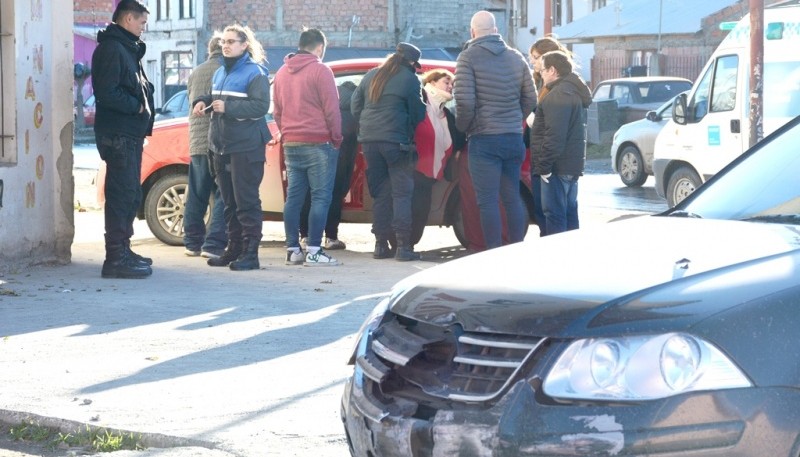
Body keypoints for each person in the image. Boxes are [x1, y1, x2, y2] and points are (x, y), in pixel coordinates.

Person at [454, 11, 536, 250]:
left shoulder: (467, 58)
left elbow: (464, 103)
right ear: (496, 30)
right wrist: (513, 120)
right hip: (512, 139)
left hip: (484, 139)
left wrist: (464, 128)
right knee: (511, 197)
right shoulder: (516, 57)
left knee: (487, 200)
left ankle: (492, 253)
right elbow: (531, 98)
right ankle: (516, 249)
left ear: (472, 32)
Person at [191, 24, 271, 271]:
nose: (225, 45)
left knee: (246, 201)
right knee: (229, 203)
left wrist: (229, 108)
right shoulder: (220, 72)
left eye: (231, 41)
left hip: (245, 146)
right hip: (220, 145)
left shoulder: (255, 72)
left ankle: (250, 254)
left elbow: (261, 107)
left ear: (244, 45)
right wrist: (201, 101)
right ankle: (233, 249)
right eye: (224, 41)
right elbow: (214, 97)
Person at [91, 0, 155, 279]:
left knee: (131, 194)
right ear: (128, 19)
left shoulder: (127, 48)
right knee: (121, 195)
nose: (144, 27)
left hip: (129, 134)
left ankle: (123, 250)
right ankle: (115, 258)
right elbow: (106, 93)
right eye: (142, 22)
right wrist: (137, 106)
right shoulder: (112, 49)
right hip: (118, 134)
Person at [273, 27, 342, 267]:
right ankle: (314, 250)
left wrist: (287, 132)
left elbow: (277, 112)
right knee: (320, 197)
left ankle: (293, 250)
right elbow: (332, 109)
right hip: (318, 142)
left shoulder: (281, 72)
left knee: (294, 198)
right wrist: (336, 137)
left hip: (292, 142)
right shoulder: (322, 70)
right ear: (320, 48)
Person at [351, 43, 426, 261]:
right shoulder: (410, 78)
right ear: (411, 62)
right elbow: (418, 113)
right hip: (396, 143)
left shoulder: (372, 75)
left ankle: (380, 245)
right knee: (402, 193)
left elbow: (356, 107)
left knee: (381, 194)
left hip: (369, 143)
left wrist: (369, 128)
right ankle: (403, 247)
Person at [530, 50, 592, 235]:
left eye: (542, 70)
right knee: (569, 213)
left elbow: (554, 136)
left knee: (555, 215)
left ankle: (556, 259)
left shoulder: (558, 95)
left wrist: (544, 167)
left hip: (557, 167)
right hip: (570, 165)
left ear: (553, 70)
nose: (540, 74)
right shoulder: (572, 91)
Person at [297, 80, 359, 252]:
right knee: (334, 196)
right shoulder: (355, 110)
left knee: (309, 194)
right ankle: (331, 237)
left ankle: (305, 236)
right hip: (340, 157)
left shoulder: (324, 101)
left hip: (314, 151)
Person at [183, 32, 227, 259]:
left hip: (198, 143)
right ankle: (214, 242)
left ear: (210, 50)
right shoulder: (228, 71)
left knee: (197, 194)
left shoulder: (196, 72)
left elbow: (192, 101)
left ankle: (192, 243)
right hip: (220, 141)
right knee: (223, 192)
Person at [410, 69, 465, 248]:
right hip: (413, 171)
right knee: (411, 210)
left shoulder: (446, 114)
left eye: (452, 84)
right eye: (446, 82)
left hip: (431, 177)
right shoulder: (419, 104)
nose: (450, 87)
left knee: (421, 213)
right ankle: (401, 245)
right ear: (432, 83)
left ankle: (408, 246)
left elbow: (457, 139)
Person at [527, 36, 571, 237]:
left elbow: (553, 129)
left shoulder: (557, 89)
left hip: (552, 160)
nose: (532, 62)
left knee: (552, 213)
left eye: (536, 58)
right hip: (548, 157)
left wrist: (531, 119)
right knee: (553, 211)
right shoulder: (542, 84)